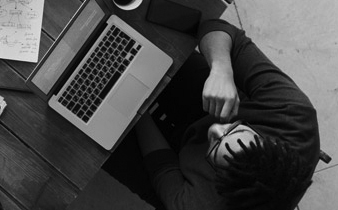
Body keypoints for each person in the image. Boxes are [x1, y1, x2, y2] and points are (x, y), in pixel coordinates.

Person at [103, 20, 320, 210]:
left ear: (218, 180)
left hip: (176, 161)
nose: (215, 129)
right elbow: (217, 28)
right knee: (149, 40)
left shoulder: (200, 205)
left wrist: (135, 107)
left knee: (99, 141)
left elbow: (161, 165)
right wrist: (221, 70)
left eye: (216, 145)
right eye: (235, 128)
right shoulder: (293, 114)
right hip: (203, 101)